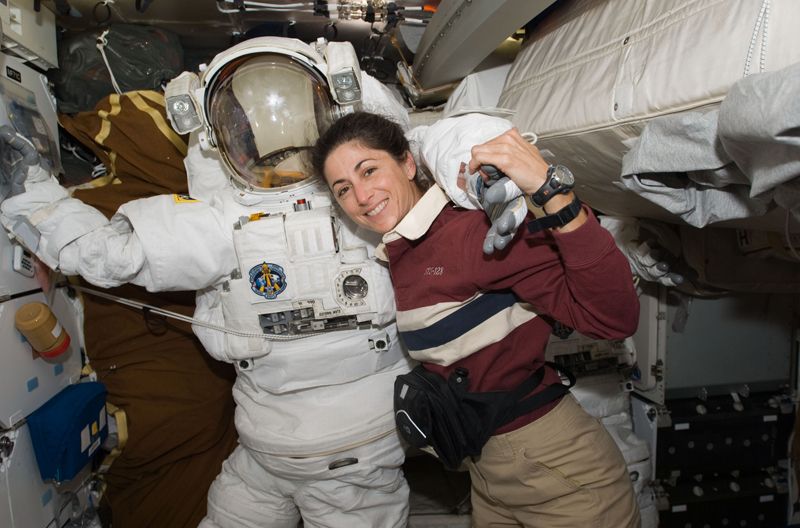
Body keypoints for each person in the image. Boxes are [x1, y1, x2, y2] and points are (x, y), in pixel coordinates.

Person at [0, 37, 474, 528]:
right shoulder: (335, 208)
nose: (279, 148)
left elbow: (442, 142)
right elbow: (108, 254)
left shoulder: (360, 204)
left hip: (325, 452)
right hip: (274, 450)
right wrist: (33, 194)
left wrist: (31, 196)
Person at [312, 111, 642, 527]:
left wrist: (553, 195)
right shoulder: (405, 252)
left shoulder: (470, 233)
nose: (361, 196)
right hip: (488, 475)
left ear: (408, 164)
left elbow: (614, 318)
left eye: (369, 170)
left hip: (559, 472)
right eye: (343, 188)